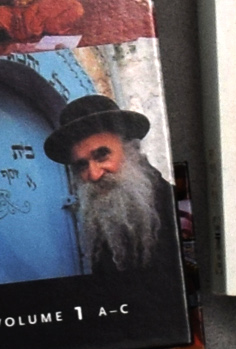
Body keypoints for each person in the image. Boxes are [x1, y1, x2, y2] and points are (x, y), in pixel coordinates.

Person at [47, 94, 178, 281]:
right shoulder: (103, 216)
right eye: (82, 165)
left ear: (130, 150)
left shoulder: (179, 210)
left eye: (102, 156)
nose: (94, 174)